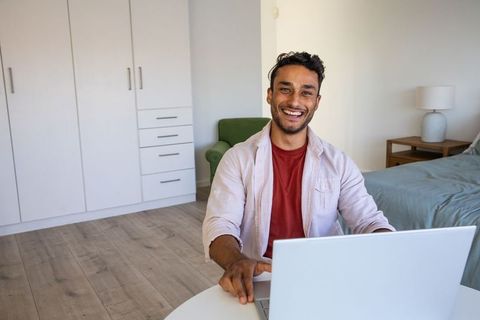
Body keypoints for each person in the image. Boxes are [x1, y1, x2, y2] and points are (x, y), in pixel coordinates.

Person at [202, 51, 394, 305]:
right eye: (285, 89)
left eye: (306, 92)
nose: (295, 101)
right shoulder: (237, 159)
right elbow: (220, 225)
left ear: (316, 101)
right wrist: (236, 262)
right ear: (269, 94)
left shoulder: (338, 163)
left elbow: (368, 220)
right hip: (259, 276)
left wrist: (388, 245)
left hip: (324, 274)